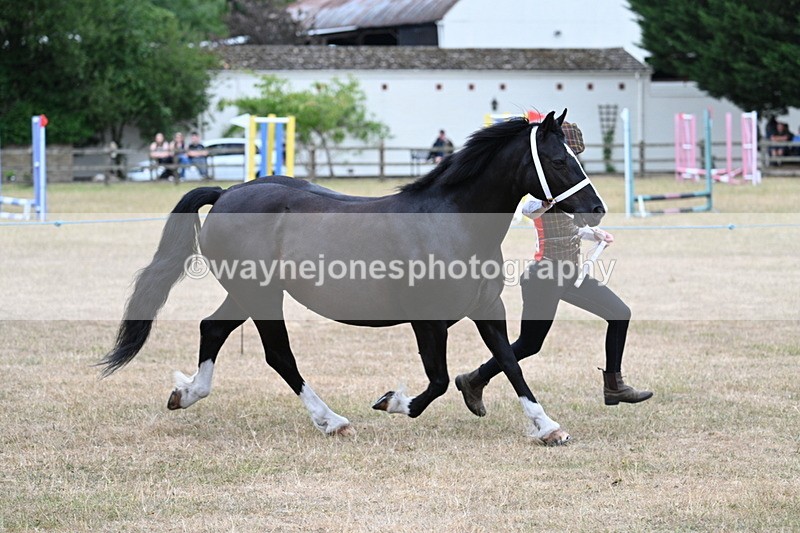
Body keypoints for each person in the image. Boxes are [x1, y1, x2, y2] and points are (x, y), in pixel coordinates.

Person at [455, 122, 652, 416]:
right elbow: (529, 210)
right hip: (545, 276)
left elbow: (567, 228)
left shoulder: (568, 185)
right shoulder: (546, 186)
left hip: (569, 274)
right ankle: (474, 379)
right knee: (529, 344)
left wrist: (593, 234)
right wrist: (548, 201)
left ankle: (614, 384)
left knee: (619, 313)